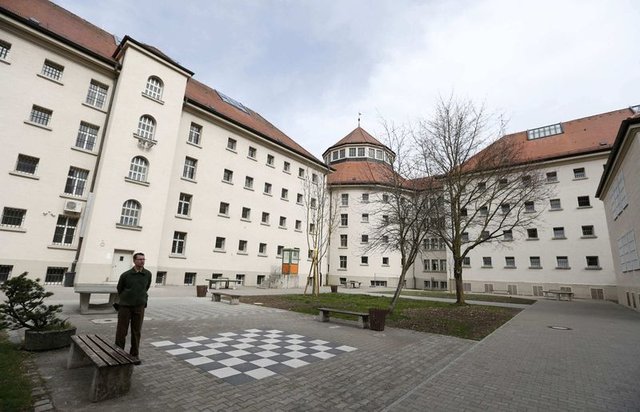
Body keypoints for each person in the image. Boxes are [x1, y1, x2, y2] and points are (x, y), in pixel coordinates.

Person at [115, 252, 152, 364]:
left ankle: (134, 355)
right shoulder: (126, 275)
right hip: (125, 306)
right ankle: (118, 353)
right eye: (140, 259)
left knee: (136, 331)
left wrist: (141, 298)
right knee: (121, 330)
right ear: (134, 261)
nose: (142, 261)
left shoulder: (147, 274)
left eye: (143, 259)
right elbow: (120, 288)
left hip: (139, 306)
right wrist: (127, 298)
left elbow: (146, 287)